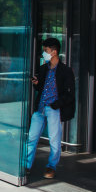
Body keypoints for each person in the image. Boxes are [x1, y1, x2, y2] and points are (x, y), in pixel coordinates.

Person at [26, 38, 75, 179]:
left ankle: (51, 167)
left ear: (54, 52)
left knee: (54, 140)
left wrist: (56, 104)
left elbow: (70, 94)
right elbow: (40, 88)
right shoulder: (43, 68)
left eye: (46, 51)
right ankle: (27, 165)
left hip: (54, 109)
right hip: (40, 109)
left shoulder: (66, 71)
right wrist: (36, 83)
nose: (44, 53)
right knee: (31, 138)